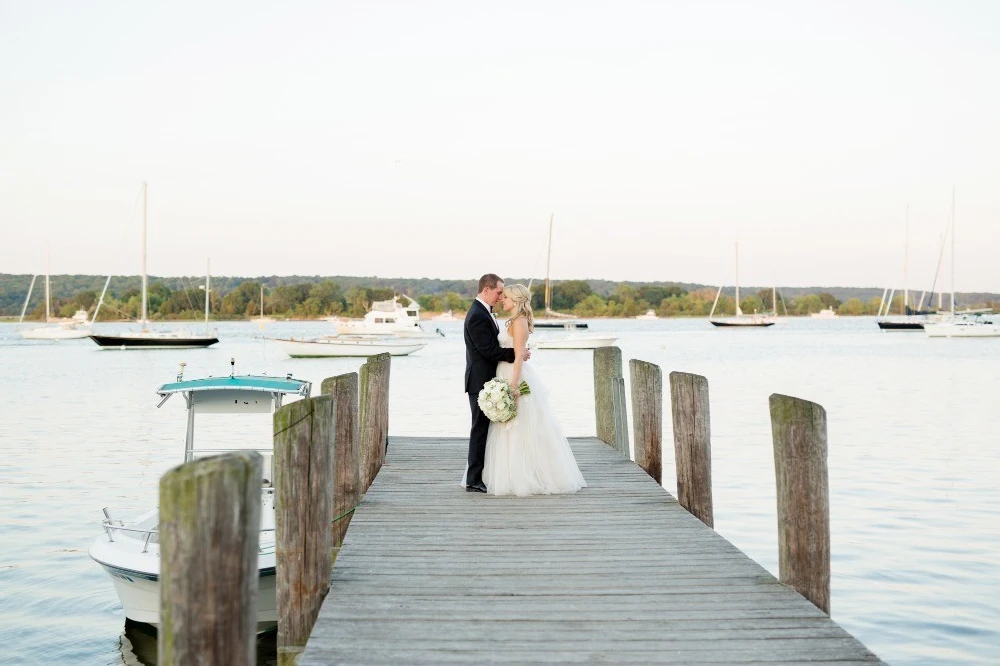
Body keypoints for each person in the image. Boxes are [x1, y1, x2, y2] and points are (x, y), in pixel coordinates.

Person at [483, 283, 586, 496]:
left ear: (516, 300)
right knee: (507, 426)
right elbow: (516, 350)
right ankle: (508, 474)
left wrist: (513, 384)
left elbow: (519, 354)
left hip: (514, 374)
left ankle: (527, 475)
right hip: (504, 371)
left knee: (520, 425)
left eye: (506, 297)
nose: (502, 299)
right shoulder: (512, 320)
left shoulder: (519, 322)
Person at [463, 273, 520, 492]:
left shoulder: (484, 312)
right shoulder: (477, 315)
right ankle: (473, 480)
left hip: (487, 380)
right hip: (479, 381)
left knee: (485, 430)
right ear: (486, 290)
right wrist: (517, 353)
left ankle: (482, 475)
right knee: (479, 430)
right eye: (498, 292)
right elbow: (488, 350)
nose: (500, 296)